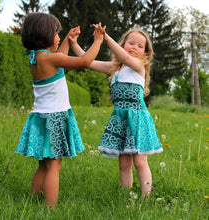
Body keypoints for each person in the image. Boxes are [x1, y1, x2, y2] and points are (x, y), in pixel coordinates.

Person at [15, 13, 103, 208]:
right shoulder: (49, 59)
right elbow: (84, 62)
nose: (58, 37)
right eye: (56, 33)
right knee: (54, 165)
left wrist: (67, 40)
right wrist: (98, 41)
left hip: (40, 117)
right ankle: (50, 207)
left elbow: (59, 58)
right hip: (54, 118)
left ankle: (34, 198)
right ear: (44, 34)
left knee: (43, 164)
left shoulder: (37, 58)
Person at [69, 23, 163, 198]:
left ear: (145, 53)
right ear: (123, 45)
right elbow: (87, 62)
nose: (134, 47)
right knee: (124, 162)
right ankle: (125, 195)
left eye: (140, 46)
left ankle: (145, 198)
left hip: (137, 117)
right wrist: (74, 44)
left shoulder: (137, 65)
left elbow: (126, 58)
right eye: (131, 43)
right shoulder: (114, 68)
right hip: (120, 119)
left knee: (140, 161)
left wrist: (105, 37)